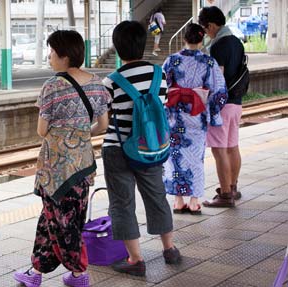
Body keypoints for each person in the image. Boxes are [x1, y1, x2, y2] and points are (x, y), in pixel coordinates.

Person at [13, 30, 111, 287]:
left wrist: (63, 133)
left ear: (64, 55)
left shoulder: (52, 86)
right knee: (55, 218)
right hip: (82, 165)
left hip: (56, 169)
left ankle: (79, 273)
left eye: (52, 52)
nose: (49, 57)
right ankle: (35, 272)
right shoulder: (97, 83)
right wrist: (80, 133)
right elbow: (102, 125)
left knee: (62, 222)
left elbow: (42, 130)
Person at [102, 20, 181, 277]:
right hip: (151, 146)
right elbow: (162, 104)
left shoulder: (111, 81)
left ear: (117, 47)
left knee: (122, 203)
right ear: (143, 44)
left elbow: (105, 120)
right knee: (156, 196)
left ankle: (136, 259)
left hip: (117, 149)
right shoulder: (159, 75)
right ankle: (169, 249)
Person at [162, 23, 228, 215]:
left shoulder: (172, 60)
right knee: (196, 159)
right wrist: (212, 113)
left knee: (175, 158)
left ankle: (178, 200)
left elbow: (161, 87)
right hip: (196, 116)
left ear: (185, 38)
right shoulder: (208, 62)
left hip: (175, 116)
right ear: (202, 39)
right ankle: (193, 201)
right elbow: (220, 93)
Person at [199, 6, 245, 208]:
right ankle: (233, 188)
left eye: (205, 28)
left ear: (210, 25)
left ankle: (225, 194)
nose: (205, 33)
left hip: (222, 106)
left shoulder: (219, 45)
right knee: (232, 146)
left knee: (219, 151)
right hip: (236, 103)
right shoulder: (236, 41)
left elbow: (217, 79)